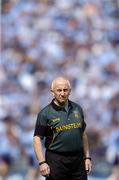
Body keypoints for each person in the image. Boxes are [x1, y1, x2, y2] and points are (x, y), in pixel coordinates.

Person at [33, 76, 92, 180]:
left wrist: (87, 157)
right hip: (56, 160)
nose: (62, 93)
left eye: (65, 90)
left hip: (77, 160)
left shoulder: (77, 109)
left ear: (70, 91)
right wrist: (42, 162)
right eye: (59, 90)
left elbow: (83, 134)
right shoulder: (45, 113)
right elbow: (37, 138)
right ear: (52, 92)